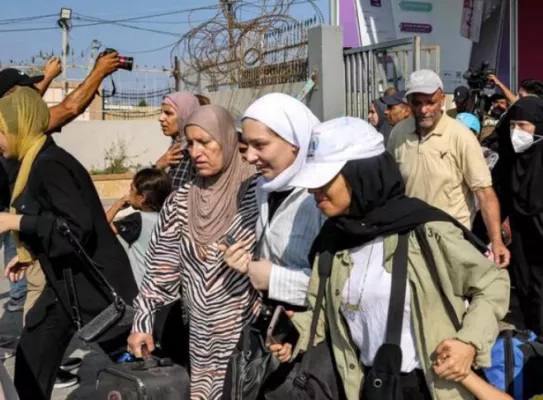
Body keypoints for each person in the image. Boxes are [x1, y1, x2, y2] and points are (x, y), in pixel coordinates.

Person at [269, 116, 510, 400]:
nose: (313, 191)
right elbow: (323, 314)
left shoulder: (427, 232)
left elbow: (492, 282)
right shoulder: (332, 242)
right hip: (367, 387)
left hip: (433, 388)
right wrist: (293, 335)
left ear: (361, 175)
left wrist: (468, 343)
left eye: (324, 180)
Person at [0, 87, 138, 400]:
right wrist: (31, 254)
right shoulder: (35, 162)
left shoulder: (50, 165)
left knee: (136, 366)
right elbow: (53, 219)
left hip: (96, 285)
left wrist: (16, 222)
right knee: (31, 360)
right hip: (64, 285)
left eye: (1, 132)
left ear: (19, 128)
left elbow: (76, 228)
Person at [127, 105, 259, 400]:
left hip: (250, 340)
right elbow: (160, 271)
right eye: (190, 144)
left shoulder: (257, 195)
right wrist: (142, 322)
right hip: (201, 343)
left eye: (205, 142)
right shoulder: (180, 202)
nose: (195, 152)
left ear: (225, 139)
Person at [387, 69, 510, 268]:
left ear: (442, 100)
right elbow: (390, 186)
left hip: (451, 242)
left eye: (430, 102)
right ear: (408, 103)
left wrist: (496, 242)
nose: (424, 110)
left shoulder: (460, 136)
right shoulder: (399, 133)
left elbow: (485, 194)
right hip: (409, 240)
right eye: (417, 103)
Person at [495, 96, 543, 335]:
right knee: (525, 287)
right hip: (523, 238)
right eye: (513, 125)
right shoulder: (510, 161)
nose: (517, 132)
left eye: (524, 126)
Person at [106, 168, 171, 288]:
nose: (128, 193)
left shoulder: (137, 220)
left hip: (145, 294)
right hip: (169, 292)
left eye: (132, 189)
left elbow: (102, 229)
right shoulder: (168, 217)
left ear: (142, 197)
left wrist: (117, 205)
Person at [154, 92, 200, 191]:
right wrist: (158, 166)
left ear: (185, 115)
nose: (160, 118)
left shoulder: (193, 153)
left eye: (168, 113)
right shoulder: (176, 148)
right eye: (161, 112)